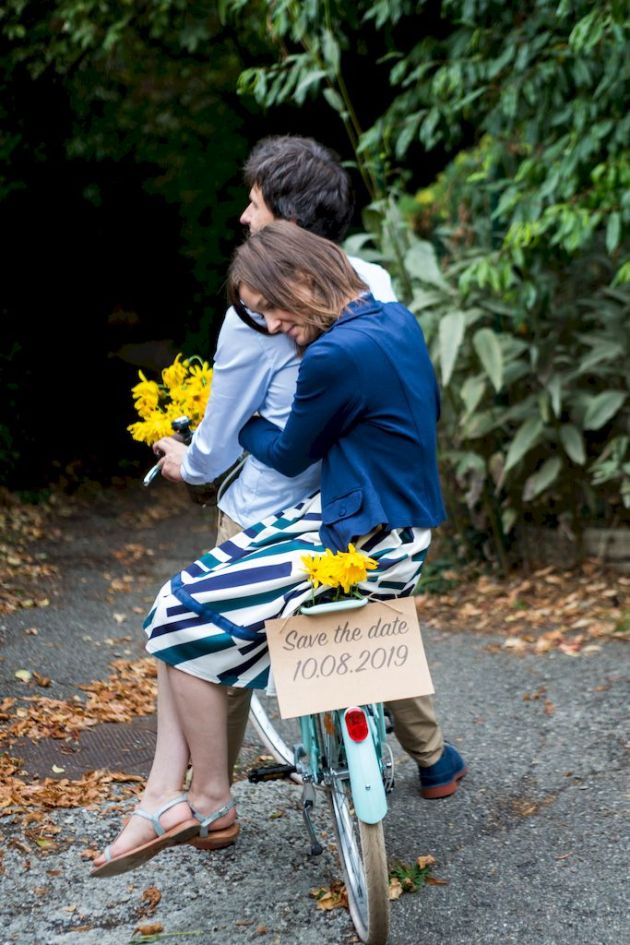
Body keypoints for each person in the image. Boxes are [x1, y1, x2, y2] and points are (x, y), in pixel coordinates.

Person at [91, 222, 465, 878]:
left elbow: (292, 449)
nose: (275, 331)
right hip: (399, 528)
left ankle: (207, 797)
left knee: (176, 613)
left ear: (300, 279)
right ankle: (171, 796)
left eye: (271, 313)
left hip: (357, 540)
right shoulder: (396, 320)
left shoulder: (330, 355)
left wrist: (239, 420)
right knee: (188, 598)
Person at [155, 135, 465, 798]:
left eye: (256, 203)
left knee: (220, 637)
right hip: (365, 497)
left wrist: (193, 463)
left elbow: (226, 433)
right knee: (368, 625)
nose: (245, 216)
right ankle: (433, 756)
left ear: (290, 223)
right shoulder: (369, 283)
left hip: (274, 501)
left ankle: (214, 794)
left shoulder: (252, 313)